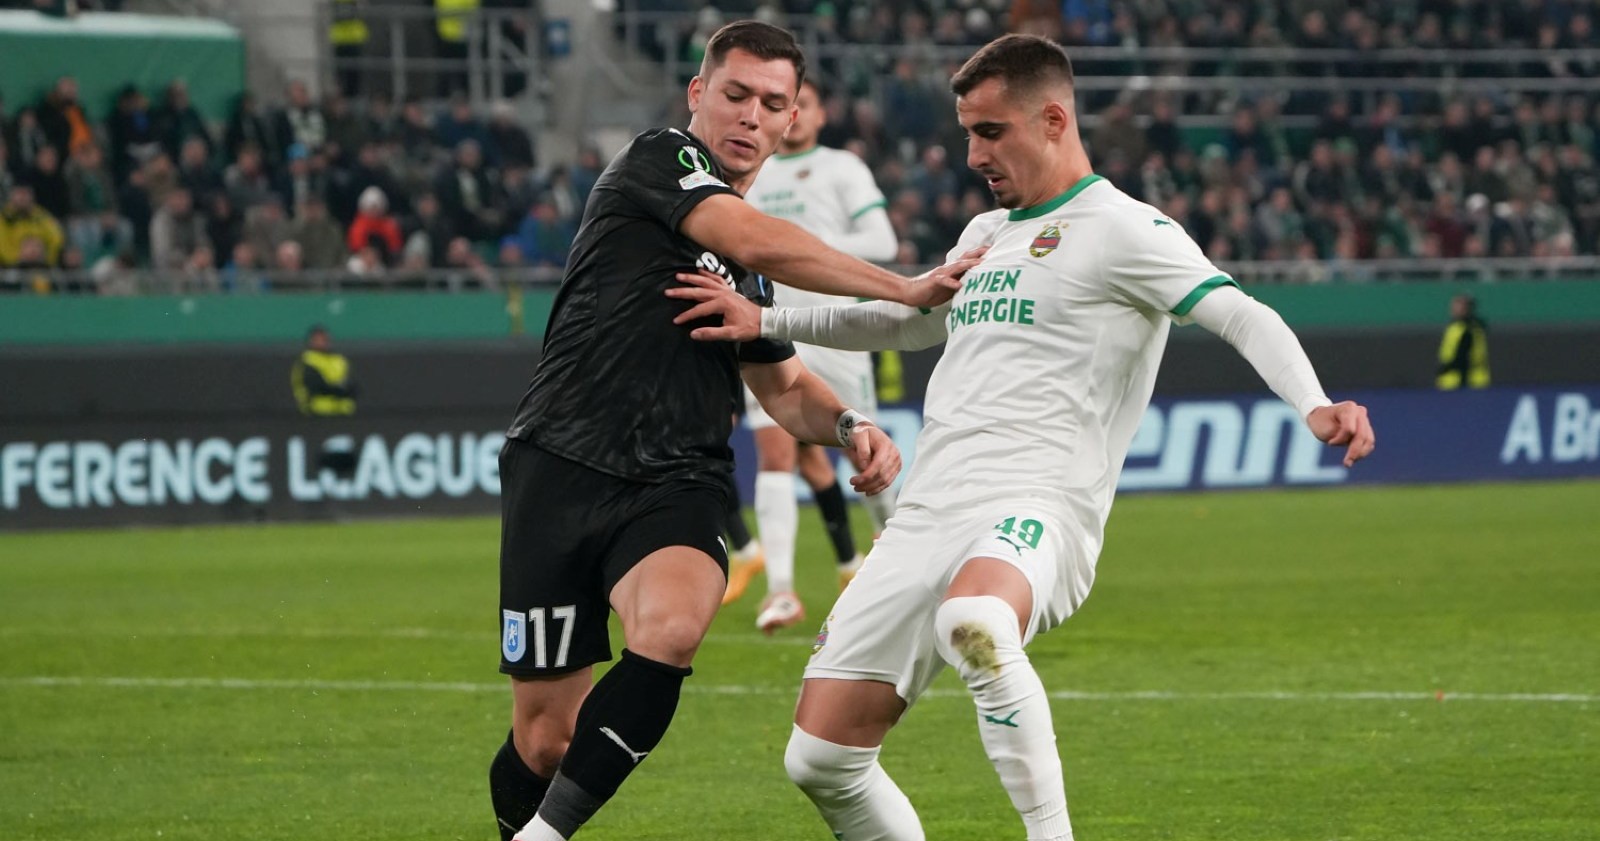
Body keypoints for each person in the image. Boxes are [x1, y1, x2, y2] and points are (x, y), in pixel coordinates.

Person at [667, 34, 1376, 841]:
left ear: (1052, 119)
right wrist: (767, 320)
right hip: (928, 509)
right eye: (967, 132)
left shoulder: (1125, 228)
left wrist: (1315, 404)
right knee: (821, 760)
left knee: (975, 619)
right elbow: (904, 323)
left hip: (1040, 504)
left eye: (990, 132)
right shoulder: (985, 232)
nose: (972, 154)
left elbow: (1239, 312)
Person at [486, 21, 978, 841]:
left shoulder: (743, 273)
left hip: (679, 480)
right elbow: (752, 235)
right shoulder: (659, 161)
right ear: (698, 96)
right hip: (560, 465)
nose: (751, 116)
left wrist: (849, 422)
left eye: (772, 104)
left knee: (673, 626)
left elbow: (783, 387)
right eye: (737, 95)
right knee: (546, 741)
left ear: (791, 122)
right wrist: (905, 288)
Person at [733, 77, 901, 630]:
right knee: (774, 453)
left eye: (803, 105)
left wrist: (802, 250)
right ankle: (781, 591)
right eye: (784, 106)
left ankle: (901, 552)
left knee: (864, 449)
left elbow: (883, 243)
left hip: (840, 330)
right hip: (773, 326)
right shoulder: (750, 174)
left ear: (821, 115)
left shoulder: (842, 168)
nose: (794, 115)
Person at [290, 324, 358, 477]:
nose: (322, 343)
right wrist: (337, 389)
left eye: (324, 339)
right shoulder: (307, 361)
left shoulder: (339, 360)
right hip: (316, 417)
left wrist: (337, 390)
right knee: (319, 461)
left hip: (342, 417)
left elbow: (352, 386)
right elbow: (316, 386)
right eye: (318, 339)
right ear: (311, 341)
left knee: (345, 457)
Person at [1436, 293, 1490, 389]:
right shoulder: (1455, 327)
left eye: (1460, 306)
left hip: (1462, 382)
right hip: (1452, 381)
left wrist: (1444, 369)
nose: (1454, 309)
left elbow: (1463, 358)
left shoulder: (1467, 329)